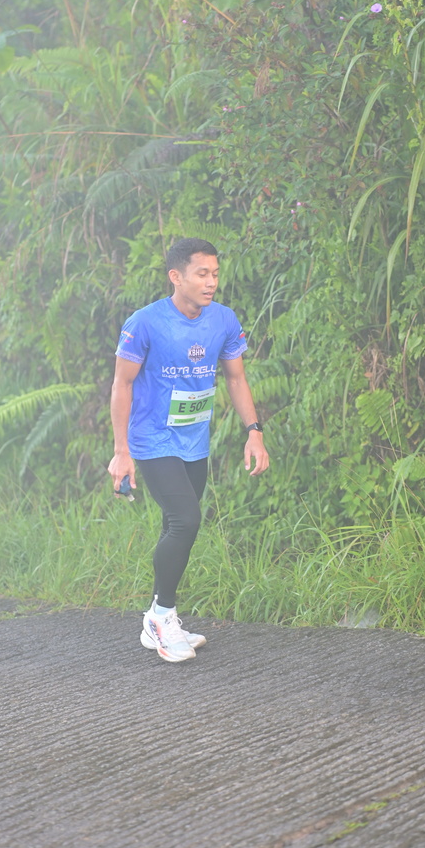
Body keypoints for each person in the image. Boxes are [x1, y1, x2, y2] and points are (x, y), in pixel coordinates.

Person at [107, 238, 269, 663]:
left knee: (176, 525)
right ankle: (163, 616)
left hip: (195, 440)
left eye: (215, 274)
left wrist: (254, 432)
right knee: (186, 519)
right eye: (202, 274)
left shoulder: (223, 320)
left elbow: (235, 378)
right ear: (176, 277)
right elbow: (122, 384)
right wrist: (122, 451)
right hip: (152, 438)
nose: (211, 282)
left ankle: (157, 619)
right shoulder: (145, 323)